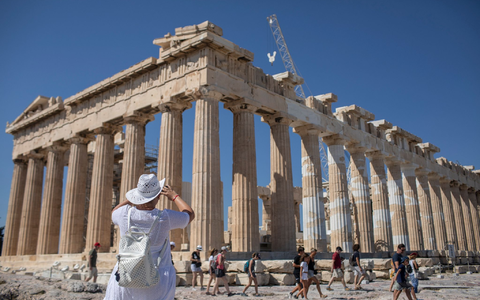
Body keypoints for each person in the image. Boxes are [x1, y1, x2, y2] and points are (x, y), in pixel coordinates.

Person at [104, 174, 194, 300]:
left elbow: (114, 211)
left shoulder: (123, 214)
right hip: (156, 280)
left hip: (124, 277)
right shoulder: (165, 217)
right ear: (158, 196)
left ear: (137, 196)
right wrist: (174, 196)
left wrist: (132, 199)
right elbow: (189, 214)